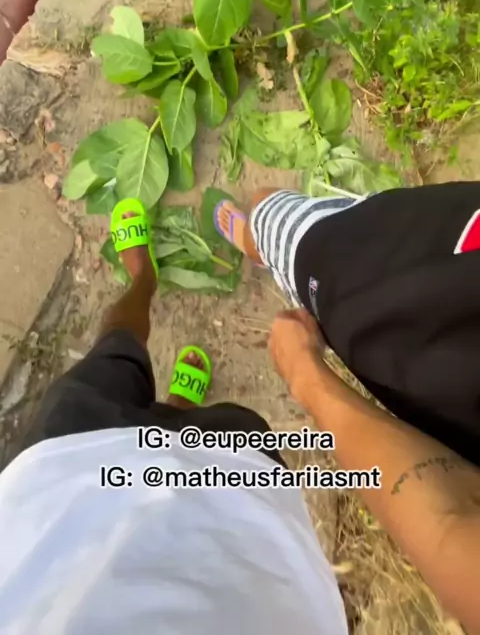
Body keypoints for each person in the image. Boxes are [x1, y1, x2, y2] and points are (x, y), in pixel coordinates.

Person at [0, 199, 479, 634]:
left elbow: (451, 523)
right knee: (204, 438)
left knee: (114, 350)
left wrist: (307, 375)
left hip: (58, 496)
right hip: (230, 535)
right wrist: (307, 376)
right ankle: (179, 405)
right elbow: (451, 529)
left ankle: (143, 277)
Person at [215, 182, 480, 468]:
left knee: (267, 209)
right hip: (433, 251)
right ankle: (277, 250)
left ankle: (257, 243)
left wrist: (302, 372)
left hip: (398, 293)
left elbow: (434, 493)